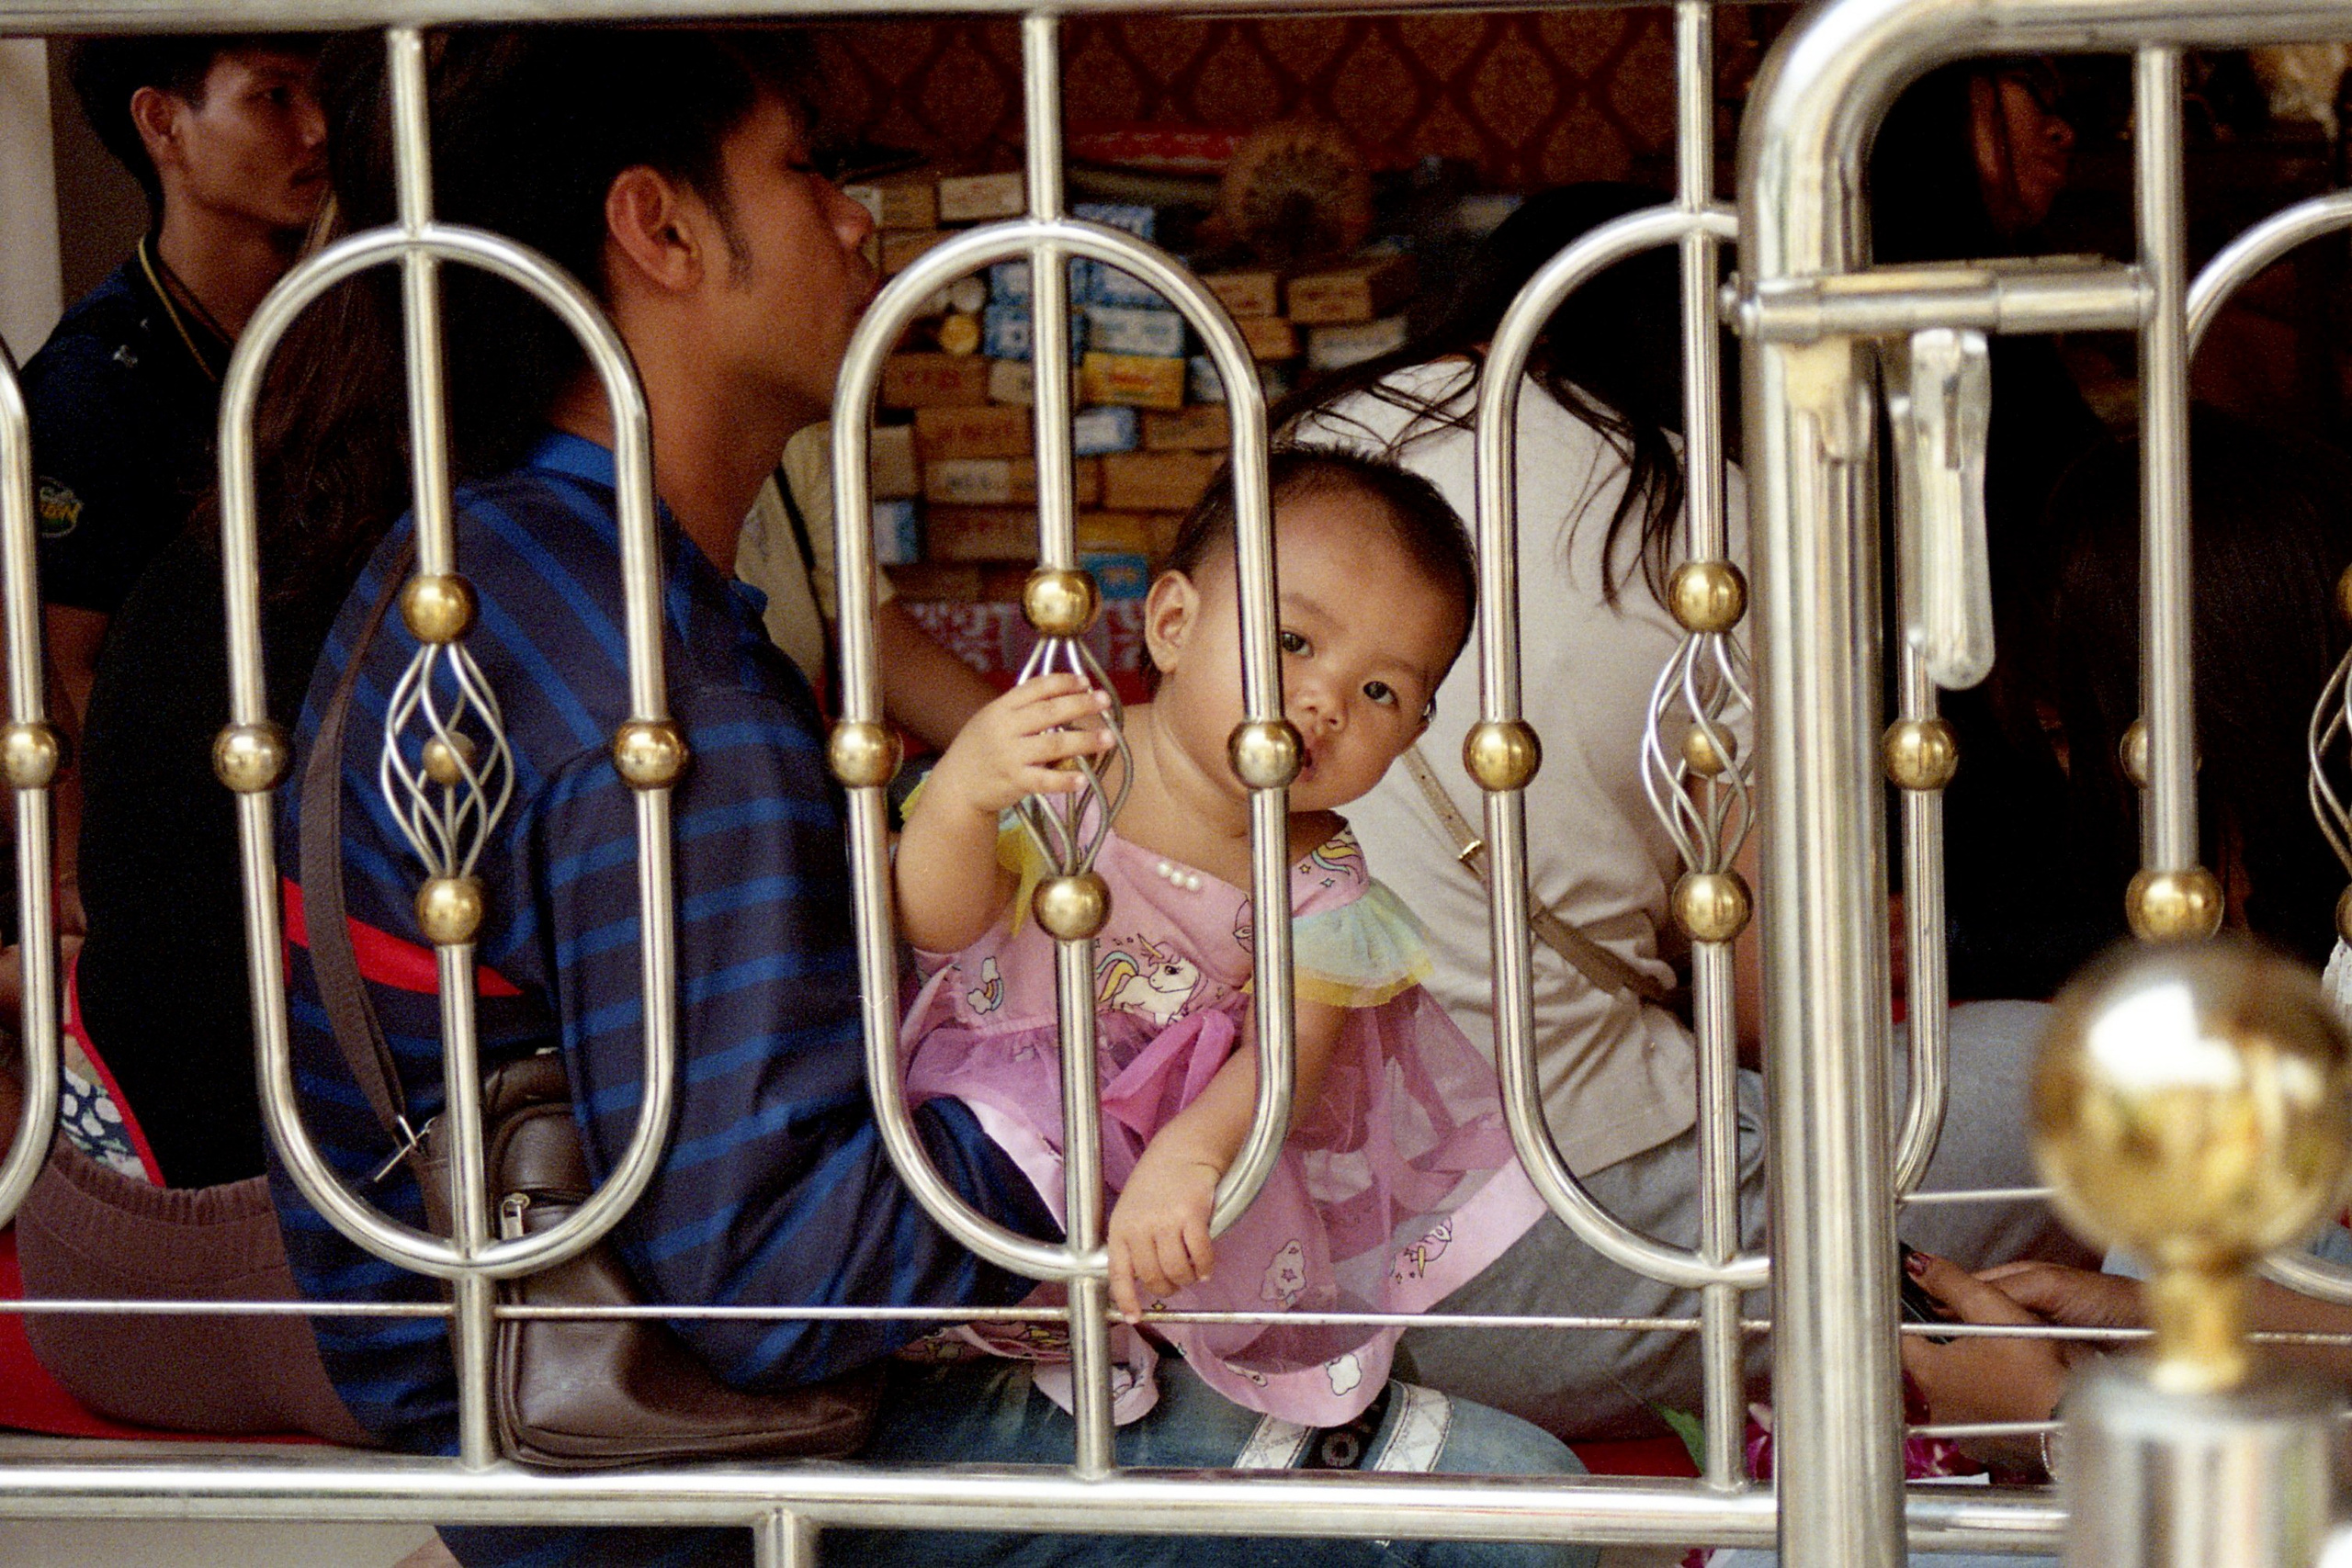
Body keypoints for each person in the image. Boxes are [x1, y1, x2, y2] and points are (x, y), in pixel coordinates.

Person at [267, 29, 1589, 1568]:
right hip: (651, 1456)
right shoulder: (647, 687)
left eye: (1387, 694)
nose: (856, 224)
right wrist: (1121, 1087)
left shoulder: (489, 564)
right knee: (1514, 1511)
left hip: (512, 1386)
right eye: (807, 170)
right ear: (662, 228)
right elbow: (775, 1282)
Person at [1278, 182, 2091, 1443]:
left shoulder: (1312, 445)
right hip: (1541, 1259)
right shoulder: (1696, 521)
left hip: (1258, 1242)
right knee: (2067, 1073)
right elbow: (1767, 1002)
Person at [895, 448, 1545, 1427]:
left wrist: (1195, 1154)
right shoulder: (1074, 766)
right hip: (993, 1124)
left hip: (1174, 1169)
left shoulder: (1323, 883)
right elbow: (936, 922)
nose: (1323, 700)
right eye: (1292, 640)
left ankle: (1118, 1372)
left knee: (1178, 1281)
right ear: (1172, 624)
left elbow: (1289, 1062)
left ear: (1413, 735)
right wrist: (958, 796)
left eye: (1380, 693)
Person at [24, 35, 325, 925]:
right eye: (273, 97)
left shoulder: (354, 332)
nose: (315, 131)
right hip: (180, 851)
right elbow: (56, 667)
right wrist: (84, 889)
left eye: (324, 97)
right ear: (164, 124)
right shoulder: (94, 384)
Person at [1871, 59, 2116, 1003]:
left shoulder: (1987, 292)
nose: (2060, 132)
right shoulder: (1924, 309)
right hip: (1961, 848)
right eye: (2032, 99)